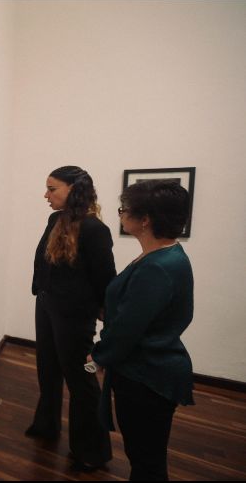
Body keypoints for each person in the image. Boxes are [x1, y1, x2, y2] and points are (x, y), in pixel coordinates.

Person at [89, 180, 194, 481]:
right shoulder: (168, 255)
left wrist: (96, 357)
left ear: (145, 219)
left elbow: (127, 329)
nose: (121, 215)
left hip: (146, 378)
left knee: (146, 460)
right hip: (151, 370)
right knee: (145, 455)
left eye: (124, 209)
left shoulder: (157, 267)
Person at [27, 166, 115, 471]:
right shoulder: (56, 219)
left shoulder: (94, 229)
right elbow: (43, 260)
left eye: (53, 189)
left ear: (73, 190)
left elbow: (105, 277)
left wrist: (104, 313)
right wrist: (41, 291)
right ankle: (46, 425)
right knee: (47, 369)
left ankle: (91, 449)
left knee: (80, 379)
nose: (46, 195)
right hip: (48, 305)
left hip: (75, 314)